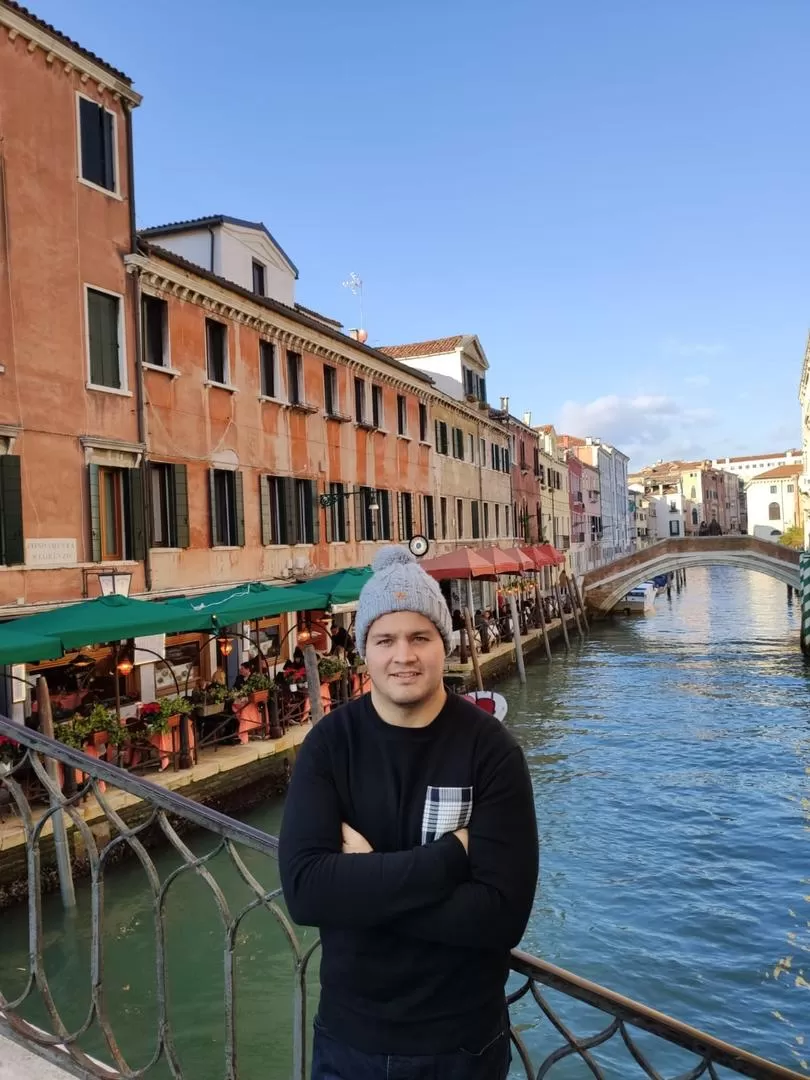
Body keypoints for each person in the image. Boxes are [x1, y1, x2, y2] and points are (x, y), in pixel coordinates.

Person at [279, 547, 539, 1080]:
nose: (404, 655)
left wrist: (365, 883)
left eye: (419, 637)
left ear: (443, 645)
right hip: (350, 1036)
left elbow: (502, 916)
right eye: (385, 640)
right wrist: (448, 859)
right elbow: (306, 892)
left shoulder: (492, 752)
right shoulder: (330, 745)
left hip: (461, 1042)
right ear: (364, 652)